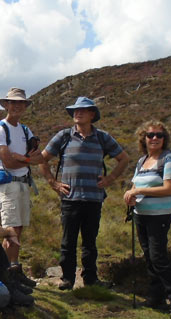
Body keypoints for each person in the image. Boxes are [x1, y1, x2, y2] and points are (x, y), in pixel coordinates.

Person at [40, 97, 129, 290]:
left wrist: (110, 179)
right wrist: (53, 183)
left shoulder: (103, 137)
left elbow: (123, 159)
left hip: (93, 199)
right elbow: (42, 159)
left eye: (82, 110)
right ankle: (67, 278)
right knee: (68, 241)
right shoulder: (63, 136)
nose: (77, 113)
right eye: (74, 111)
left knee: (90, 242)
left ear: (92, 115)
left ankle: (90, 279)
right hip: (70, 199)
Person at [123, 120, 171, 319]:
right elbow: (137, 185)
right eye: (150, 135)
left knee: (159, 258)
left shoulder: (169, 159)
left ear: (165, 139)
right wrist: (131, 196)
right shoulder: (141, 161)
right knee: (150, 256)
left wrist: (138, 191)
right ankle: (156, 297)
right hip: (140, 215)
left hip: (159, 216)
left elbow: (168, 188)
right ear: (143, 139)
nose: (154, 138)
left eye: (159, 135)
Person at [0, 88, 44, 289]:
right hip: (7, 184)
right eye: (13, 103)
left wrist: (21, 158)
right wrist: (25, 160)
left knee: (17, 230)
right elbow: (7, 162)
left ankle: (13, 269)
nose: (16, 106)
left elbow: (38, 158)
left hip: (22, 183)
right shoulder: (0, 129)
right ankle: (7, 275)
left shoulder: (25, 130)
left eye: (20, 103)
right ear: (6, 105)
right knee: (11, 230)